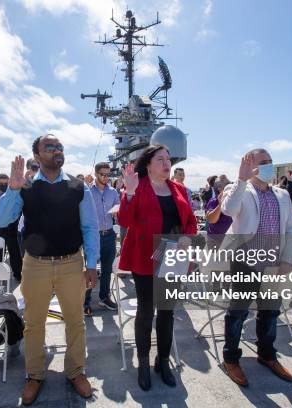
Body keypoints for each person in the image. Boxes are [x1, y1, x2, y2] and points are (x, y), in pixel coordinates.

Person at [0, 134, 98, 405]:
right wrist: (13, 189)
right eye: (49, 147)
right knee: (34, 323)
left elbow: (89, 227)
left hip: (71, 264)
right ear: (38, 156)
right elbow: (2, 219)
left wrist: (92, 264)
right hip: (35, 265)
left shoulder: (77, 187)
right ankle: (35, 375)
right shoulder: (25, 187)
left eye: (60, 147)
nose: (56, 151)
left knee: (75, 321)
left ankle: (75, 371)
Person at [118, 144, 197, 391]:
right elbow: (125, 220)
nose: (167, 163)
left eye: (168, 159)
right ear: (148, 163)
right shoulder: (137, 186)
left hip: (173, 255)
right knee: (145, 311)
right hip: (145, 255)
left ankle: (162, 361)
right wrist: (128, 194)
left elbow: (191, 223)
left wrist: (187, 237)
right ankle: (142, 362)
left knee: (166, 312)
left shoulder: (179, 189)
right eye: (161, 159)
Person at [219, 148, 292, 387]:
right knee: (238, 312)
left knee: (270, 312)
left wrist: (288, 258)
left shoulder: (282, 194)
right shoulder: (238, 189)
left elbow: (291, 228)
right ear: (249, 165)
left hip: (273, 264)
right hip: (245, 261)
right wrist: (241, 179)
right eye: (263, 162)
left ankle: (267, 354)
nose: (269, 166)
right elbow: (228, 210)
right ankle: (231, 358)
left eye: (271, 162)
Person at [83, 162, 119, 316]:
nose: (106, 177)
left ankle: (104, 297)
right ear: (96, 174)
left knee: (107, 270)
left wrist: (117, 211)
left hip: (109, 234)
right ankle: (85, 302)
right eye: (103, 174)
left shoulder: (113, 192)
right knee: (90, 270)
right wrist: (84, 185)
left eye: (108, 175)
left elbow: (118, 206)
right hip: (92, 236)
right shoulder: (87, 190)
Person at [0, 173, 23, 282]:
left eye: (6, 183)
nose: (3, 185)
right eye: (1, 183)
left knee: (15, 254)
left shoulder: (15, 196)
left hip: (12, 230)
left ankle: (18, 275)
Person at [205, 177, 233, 248]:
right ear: (219, 189)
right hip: (215, 241)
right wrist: (220, 204)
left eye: (230, 183)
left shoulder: (234, 201)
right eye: (227, 184)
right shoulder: (213, 201)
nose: (230, 186)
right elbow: (211, 220)